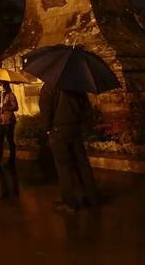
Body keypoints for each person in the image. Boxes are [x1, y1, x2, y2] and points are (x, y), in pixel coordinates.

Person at [39, 83, 99, 213]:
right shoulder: (76, 84)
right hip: (75, 128)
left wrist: (47, 129)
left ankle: (70, 202)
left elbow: (46, 110)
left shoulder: (49, 87)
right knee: (82, 165)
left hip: (58, 130)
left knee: (64, 167)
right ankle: (92, 197)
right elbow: (86, 108)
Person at [0, 82, 19, 170]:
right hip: (0, 121)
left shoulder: (11, 95)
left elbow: (16, 107)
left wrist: (5, 107)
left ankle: (11, 160)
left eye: (0, 85)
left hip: (8, 120)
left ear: (5, 86)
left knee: (9, 140)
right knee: (0, 141)